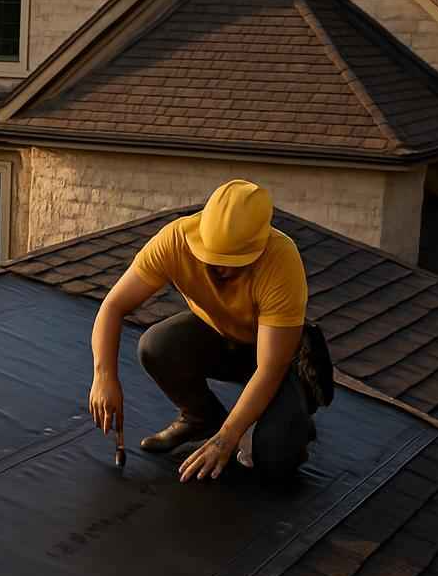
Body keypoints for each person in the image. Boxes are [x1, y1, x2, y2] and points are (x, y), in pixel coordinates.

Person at [87, 179, 314, 482]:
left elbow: (269, 368)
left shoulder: (281, 261)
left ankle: (293, 421)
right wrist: (104, 376)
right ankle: (200, 417)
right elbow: (113, 306)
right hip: (219, 336)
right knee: (157, 345)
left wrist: (227, 438)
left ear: (258, 250)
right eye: (212, 259)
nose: (218, 269)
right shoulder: (176, 240)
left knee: (275, 455)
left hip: (272, 355)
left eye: (232, 263)